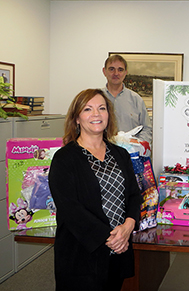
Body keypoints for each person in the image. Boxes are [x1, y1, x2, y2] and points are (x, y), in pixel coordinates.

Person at [49, 89, 143, 291]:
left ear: (109, 115)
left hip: (118, 250)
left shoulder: (120, 154)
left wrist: (127, 226)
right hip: (82, 255)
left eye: (102, 108)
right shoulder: (64, 159)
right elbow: (70, 209)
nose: (96, 114)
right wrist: (112, 239)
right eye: (88, 109)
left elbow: (134, 195)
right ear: (76, 118)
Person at [102, 54, 152, 144]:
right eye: (111, 69)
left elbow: (147, 128)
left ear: (125, 73)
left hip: (131, 153)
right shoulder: (96, 98)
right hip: (101, 153)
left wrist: (139, 144)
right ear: (104, 71)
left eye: (120, 70)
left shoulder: (137, 100)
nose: (116, 73)